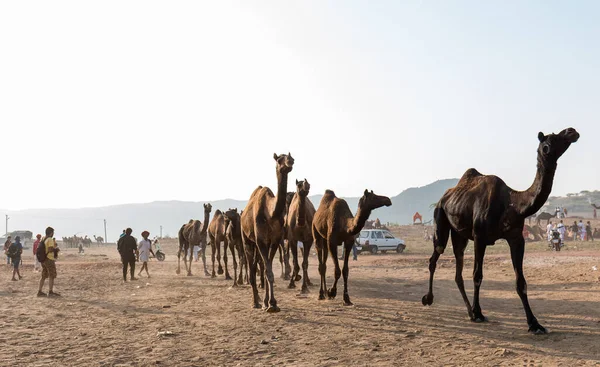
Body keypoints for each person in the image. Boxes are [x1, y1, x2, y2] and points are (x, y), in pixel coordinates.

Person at [38, 227, 60, 297]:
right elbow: (50, 249)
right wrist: (56, 249)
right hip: (49, 259)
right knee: (51, 275)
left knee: (43, 276)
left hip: (43, 259)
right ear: (51, 233)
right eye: (53, 232)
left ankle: (40, 291)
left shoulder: (44, 238)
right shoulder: (50, 239)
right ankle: (50, 291)